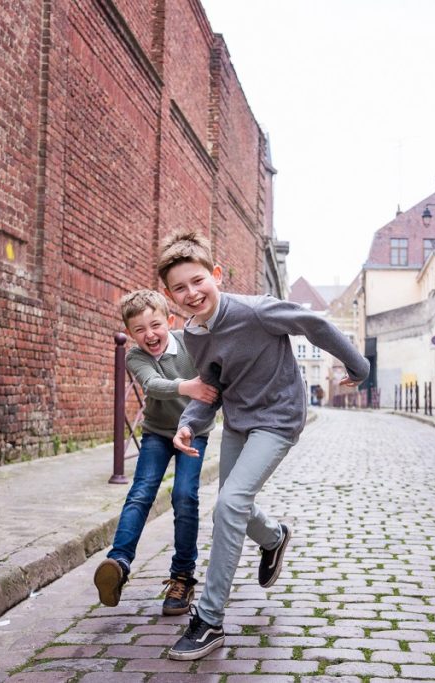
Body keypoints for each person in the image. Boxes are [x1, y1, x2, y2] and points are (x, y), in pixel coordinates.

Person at [157, 230, 369, 660]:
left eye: (198, 280)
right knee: (233, 504)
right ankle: (274, 538)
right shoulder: (194, 333)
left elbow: (316, 324)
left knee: (230, 503)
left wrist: (359, 365)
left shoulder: (256, 311)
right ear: (169, 295)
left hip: (278, 416)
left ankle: (210, 618)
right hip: (238, 419)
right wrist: (188, 423)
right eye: (179, 288)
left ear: (215, 275)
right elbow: (211, 384)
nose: (191, 293)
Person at [93, 289, 219, 616]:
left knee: (185, 496)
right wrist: (188, 386)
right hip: (158, 433)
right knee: (141, 492)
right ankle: (118, 563)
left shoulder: (190, 343)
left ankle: (182, 578)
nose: (149, 335)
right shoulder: (136, 356)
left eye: (155, 325)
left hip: (194, 432)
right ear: (131, 334)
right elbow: (151, 385)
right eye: (139, 330)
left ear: (170, 321)